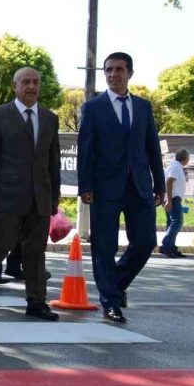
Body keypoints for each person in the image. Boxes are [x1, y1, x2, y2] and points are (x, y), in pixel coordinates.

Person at [79, 52, 166, 322]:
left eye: (119, 69)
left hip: (139, 186)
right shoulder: (93, 108)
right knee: (104, 246)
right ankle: (111, 302)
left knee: (145, 242)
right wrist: (85, 186)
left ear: (130, 73)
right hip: (105, 187)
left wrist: (160, 184)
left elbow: (152, 147)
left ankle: (114, 284)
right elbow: (85, 150)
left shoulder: (143, 106)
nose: (113, 74)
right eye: (109, 70)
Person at [0, 67, 61, 322]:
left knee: (35, 251)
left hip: (40, 196)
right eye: (26, 82)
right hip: (8, 193)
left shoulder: (50, 119)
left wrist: (54, 197)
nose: (31, 87)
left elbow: (52, 163)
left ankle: (36, 301)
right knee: (2, 242)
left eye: (35, 82)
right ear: (15, 86)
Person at [160, 149, 190, 258]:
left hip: (172, 198)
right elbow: (169, 181)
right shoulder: (176, 167)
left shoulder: (175, 166)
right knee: (177, 221)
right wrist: (169, 200)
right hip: (173, 198)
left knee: (171, 222)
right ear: (185, 158)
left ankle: (170, 247)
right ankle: (166, 245)